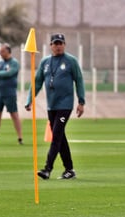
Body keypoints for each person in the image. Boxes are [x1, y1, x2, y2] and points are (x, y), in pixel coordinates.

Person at [25, 33, 85, 180]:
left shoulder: (71, 61)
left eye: (60, 43)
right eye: (55, 43)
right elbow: (37, 81)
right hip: (51, 105)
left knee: (56, 135)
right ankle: (69, 170)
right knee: (60, 137)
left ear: (64, 45)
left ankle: (47, 169)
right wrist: (30, 99)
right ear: (51, 45)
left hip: (65, 104)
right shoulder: (45, 62)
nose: (58, 46)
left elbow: (79, 80)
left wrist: (81, 101)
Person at [0, 43, 23, 145]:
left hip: (10, 93)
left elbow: (10, 73)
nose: (1, 53)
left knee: (14, 114)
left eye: (3, 51)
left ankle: (20, 137)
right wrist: (0, 74)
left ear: (8, 51)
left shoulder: (14, 63)